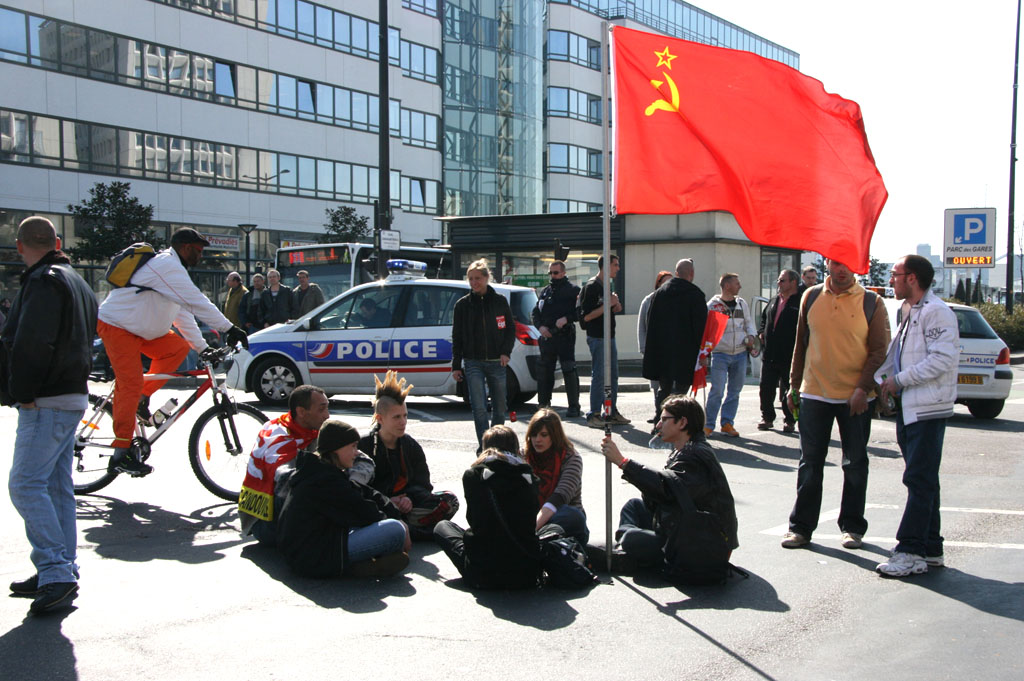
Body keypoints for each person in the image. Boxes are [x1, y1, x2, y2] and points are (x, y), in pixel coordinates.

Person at [2, 217, 97, 614]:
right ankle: (59, 568)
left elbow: (32, 342)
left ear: (20, 246)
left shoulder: (43, 281)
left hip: (46, 397)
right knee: (56, 486)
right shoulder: (77, 281)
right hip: (72, 392)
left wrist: (22, 393)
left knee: (25, 484)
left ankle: (56, 571)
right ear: (56, 241)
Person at [97, 227, 248, 476]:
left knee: (177, 348)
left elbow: (182, 313)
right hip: (118, 326)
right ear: (185, 247)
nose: (200, 256)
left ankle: (139, 398)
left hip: (141, 330)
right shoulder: (167, 265)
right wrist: (229, 328)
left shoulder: (172, 272)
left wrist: (202, 347)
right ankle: (120, 454)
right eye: (198, 251)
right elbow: (195, 300)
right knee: (130, 383)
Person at [781, 258, 890, 550]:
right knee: (810, 464)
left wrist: (863, 388)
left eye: (847, 264)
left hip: (854, 397)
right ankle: (800, 528)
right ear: (827, 263)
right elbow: (800, 343)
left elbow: (880, 350)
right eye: (836, 263)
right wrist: (793, 386)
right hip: (814, 393)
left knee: (854, 463)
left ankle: (852, 528)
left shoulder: (871, 302)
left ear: (856, 267)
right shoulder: (811, 295)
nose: (841, 269)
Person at [874, 255, 959, 578]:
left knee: (918, 479)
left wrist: (899, 380)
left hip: (927, 408)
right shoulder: (911, 311)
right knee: (924, 479)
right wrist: (884, 379)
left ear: (912, 278)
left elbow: (942, 360)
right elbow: (898, 356)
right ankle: (931, 547)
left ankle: (910, 549)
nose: (891, 281)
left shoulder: (936, 312)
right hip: (914, 407)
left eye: (895, 275)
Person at [600, 395, 738, 579]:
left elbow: (666, 490)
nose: (658, 425)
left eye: (664, 420)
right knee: (633, 506)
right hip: (685, 525)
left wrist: (623, 462)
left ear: (682, 422)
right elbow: (661, 497)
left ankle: (632, 550)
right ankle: (630, 548)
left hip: (703, 543)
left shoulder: (693, 455)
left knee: (632, 539)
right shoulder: (687, 449)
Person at [275, 420, 410, 579]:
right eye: (352, 446)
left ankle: (365, 564)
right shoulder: (323, 481)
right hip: (312, 557)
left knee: (390, 524)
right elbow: (365, 512)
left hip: (314, 546)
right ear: (335, 449)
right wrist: (398, 522)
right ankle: (355, 568)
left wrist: (391, 509)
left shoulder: (321, 470)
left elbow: (363, 492)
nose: (356, 452)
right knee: (394, 530)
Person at [433, 426, 543, 589]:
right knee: (551, 527)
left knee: (442, 527)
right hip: (526, 573)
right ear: (515, 448)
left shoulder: (473, 476)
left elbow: (474, 520)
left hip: (483, 573)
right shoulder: (529, 478)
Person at [358, 371, 459, 540]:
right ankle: (411, 531)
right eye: (396, 417)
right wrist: (389, 500)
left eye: (405, 415)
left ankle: (403, 530)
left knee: (449, 500)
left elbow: (424, 483)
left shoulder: (410, 445)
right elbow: (358, 488)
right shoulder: (364, 445)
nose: (403, 422)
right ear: (380, 418)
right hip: (380, 505)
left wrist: (409, 498)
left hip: (408, 507)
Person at [238, 385, 331, 545]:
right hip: (263, 523)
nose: (327, 415)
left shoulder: (302, 430)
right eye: (321, 410)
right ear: (301, 412)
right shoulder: (280, 439)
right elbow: (287, 479)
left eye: (327, 408)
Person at [451, 259, 516, 449]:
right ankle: (485, 445)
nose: (474, 283)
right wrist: (456, 365)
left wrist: (506, 352)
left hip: (497, 361)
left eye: (477, 278)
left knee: (499, 407)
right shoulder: (462, 305)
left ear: (487, 278)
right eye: (470, 279)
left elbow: (509, 329)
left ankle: (498, 443)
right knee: (478, 407)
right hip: (473, 362)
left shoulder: (499, 301)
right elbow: (457, 336)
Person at [641, 259, 707, 426]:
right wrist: (704, 352)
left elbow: (651, 322)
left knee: (664, 389)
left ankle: (660, 421)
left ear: (676, 273)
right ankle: (676, 424)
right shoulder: (695, 294)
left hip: (662, 351)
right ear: (691, 274)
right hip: (686, 352)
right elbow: (701, 327)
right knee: (681, 391)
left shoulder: (659, 293)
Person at [703, 273, 757, 437]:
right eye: (736, 283)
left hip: (740, 353)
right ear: (727, 286)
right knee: (717, 390)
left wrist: (751, 337)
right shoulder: (713, 305)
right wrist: (704, 353)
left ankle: (727, 423)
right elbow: (706, 331)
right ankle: (708, 424)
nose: (739, 286)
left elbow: (749, 323)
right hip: (720, 354)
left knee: (735, 390)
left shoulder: (742, 303)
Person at [524, 408, 588, 543]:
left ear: (555, 435)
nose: (537, 440)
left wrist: (531, 531)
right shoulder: (524, 456)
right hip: (531, 519)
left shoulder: (571, 458)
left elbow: (559, 498)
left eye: (544, 435)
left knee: (573, 515)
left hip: (560, 519)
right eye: (534, 435)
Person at [580, 254, 629, 428]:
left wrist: (614, 306)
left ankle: (611, 411)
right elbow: (586, 317)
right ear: (606, 266)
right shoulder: (592, 286)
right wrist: (608, 304)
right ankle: (593, 413)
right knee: (600, 375)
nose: (618, 268)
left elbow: (605, 309)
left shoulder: (606, 285)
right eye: (615, 265)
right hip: (597, 337)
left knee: (613, 375)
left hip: (610, 336)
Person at [531, 260, 582, 417]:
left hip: (565, 336)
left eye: (555, 273)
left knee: (569, 369)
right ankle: (544, 404)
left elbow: (580, 312)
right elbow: (535, 312)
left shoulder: (573, 290)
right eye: (550, 273)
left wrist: (566, 319)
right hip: (547, 337)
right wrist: (540, 327)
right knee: (545, 371)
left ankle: (574, 406)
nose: (552, 276)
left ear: (563, 273)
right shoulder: (546, 291)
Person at [757, 269, 801, 432]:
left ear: (793, 282)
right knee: (766, 388)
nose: (778, 283)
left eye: (782, 280)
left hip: (789, 354)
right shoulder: (775, 299)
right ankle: (767, 417)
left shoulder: (800, 301)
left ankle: (790, 420)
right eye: (779, 280)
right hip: (770, 353)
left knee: (789, 389)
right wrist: (761, 331)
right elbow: (764, 318)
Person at [637, 270, 673, 423]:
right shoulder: (649, 300)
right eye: (665, 281)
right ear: (658, 284)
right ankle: (658, 412)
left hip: (671, 350)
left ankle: (669, 414)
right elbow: (641, 326)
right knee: (656, 385)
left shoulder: (677, 301)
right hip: (653, 350)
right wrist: (644, 347)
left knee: (670, 385)